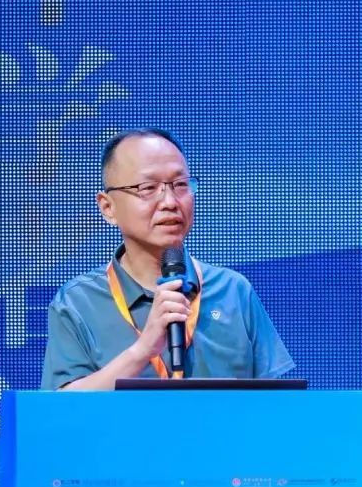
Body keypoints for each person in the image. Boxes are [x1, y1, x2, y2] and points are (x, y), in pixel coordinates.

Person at [41, 128, 294, 390]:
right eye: (148, 188)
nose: (170, 202)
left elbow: (278, 403)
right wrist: (142, 350)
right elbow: (57, 407)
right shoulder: (78, 301)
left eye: (180, 185)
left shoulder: (232, 291)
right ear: (108, 207)